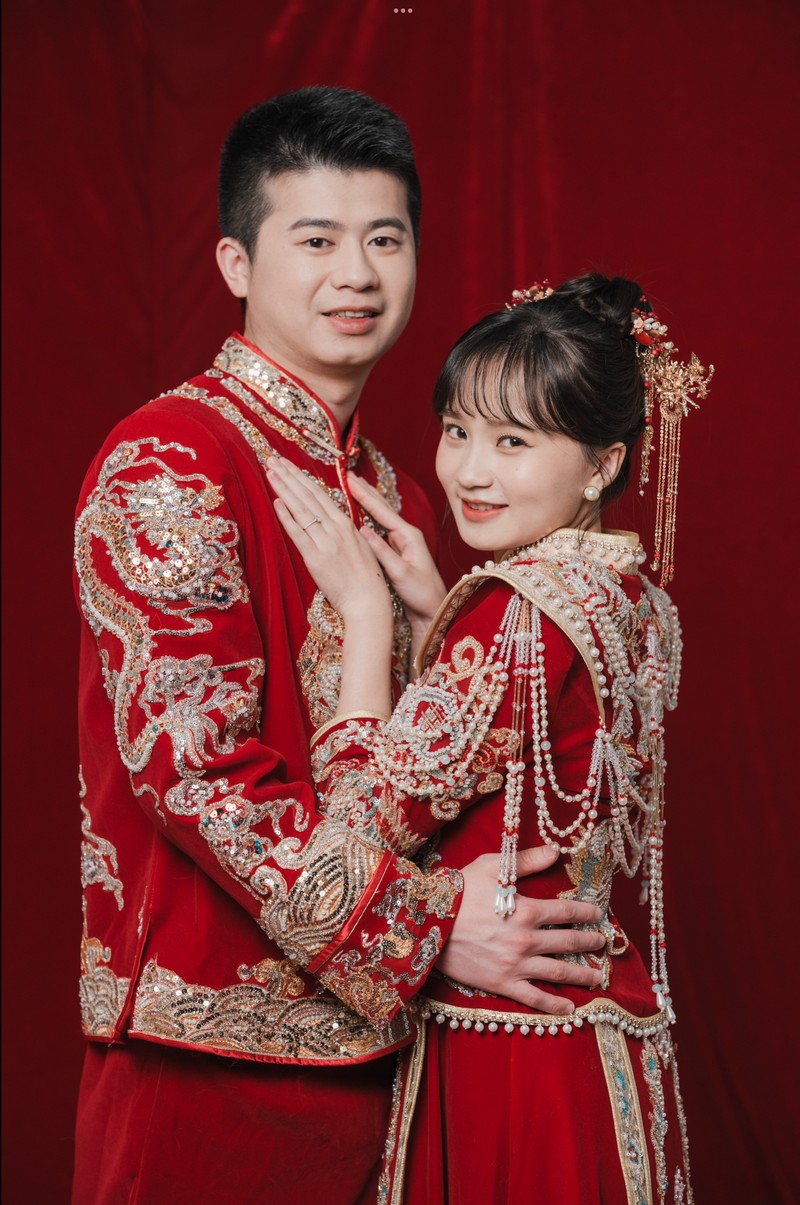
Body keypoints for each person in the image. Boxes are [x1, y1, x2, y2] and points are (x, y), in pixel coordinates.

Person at [72, 89, 607, 1204]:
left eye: (384, 239)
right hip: (207, 1057)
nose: (355, 274)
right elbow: (197, 774)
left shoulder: (395, 490)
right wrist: (426, 932)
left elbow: (416, 775)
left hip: (389, 1065)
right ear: (236, 262)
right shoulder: (170, 456)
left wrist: (430, 621)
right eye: (315, 240)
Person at [268, 272, 712, 1203]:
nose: (470, 470)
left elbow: (356, 830)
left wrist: (367, 618)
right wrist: (440, 610)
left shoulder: (518, 614)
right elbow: (523, 749)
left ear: (601, 463)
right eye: (458, 430)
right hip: (595, 1026)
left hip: (511, 1044)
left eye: (514, 441)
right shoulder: (632, 596)